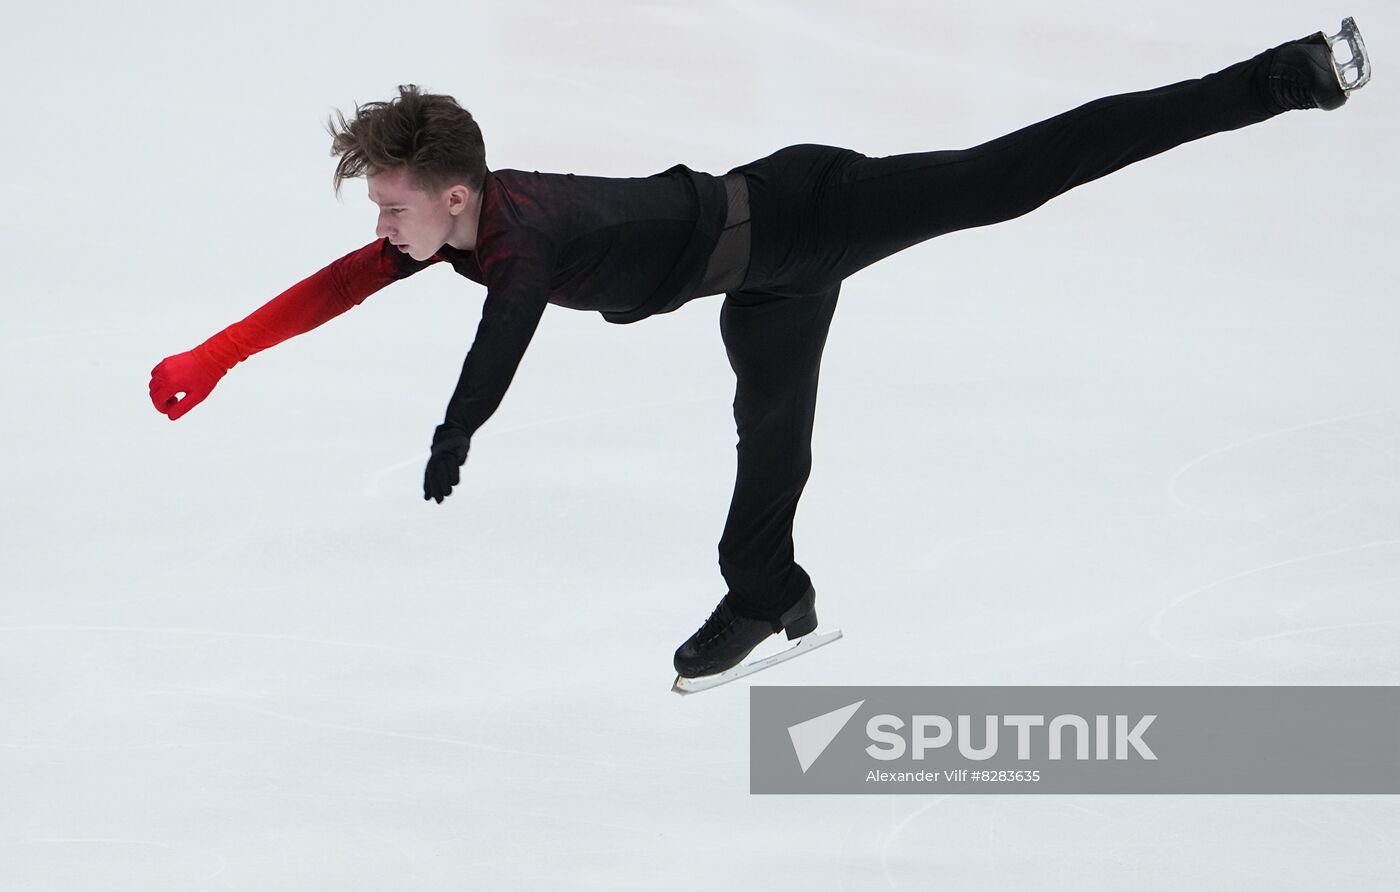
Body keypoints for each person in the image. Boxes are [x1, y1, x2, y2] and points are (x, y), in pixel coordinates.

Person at [149, 21, 1371, 684]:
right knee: (762, 464)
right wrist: (216, 354)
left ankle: (1285, 78)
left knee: (1014, 176)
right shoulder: (461, 235)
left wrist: (455, 432)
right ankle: (769, 595)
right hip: (756, 285)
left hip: (804, 211)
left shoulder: (518, 247)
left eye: (394, 207)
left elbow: (501, 339)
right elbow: (328, 290)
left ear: (457, 197)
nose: (381, 228)